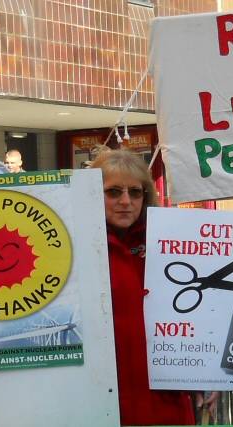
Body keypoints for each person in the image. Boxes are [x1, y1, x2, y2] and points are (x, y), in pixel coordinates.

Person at [90, 148, 216, 425]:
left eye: (135, 192)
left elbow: (203, 316)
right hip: (103, 398)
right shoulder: (79, 248)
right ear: (90, 194)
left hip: (166, 397)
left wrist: (209, 373)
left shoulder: (171, 244)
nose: (126, 201)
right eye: (113, 192)